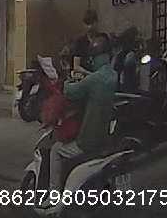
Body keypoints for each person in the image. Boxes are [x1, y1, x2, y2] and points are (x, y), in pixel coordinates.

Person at [49, 34, 117, 190]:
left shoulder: (94, 80)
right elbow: (96, 80)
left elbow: (70, 91)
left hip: (88, 142)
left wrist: (67, 78)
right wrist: (87, 75)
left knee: (56, 150)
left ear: (95, 57)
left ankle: (54, 194)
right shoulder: (112, 76)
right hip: (105, 138)